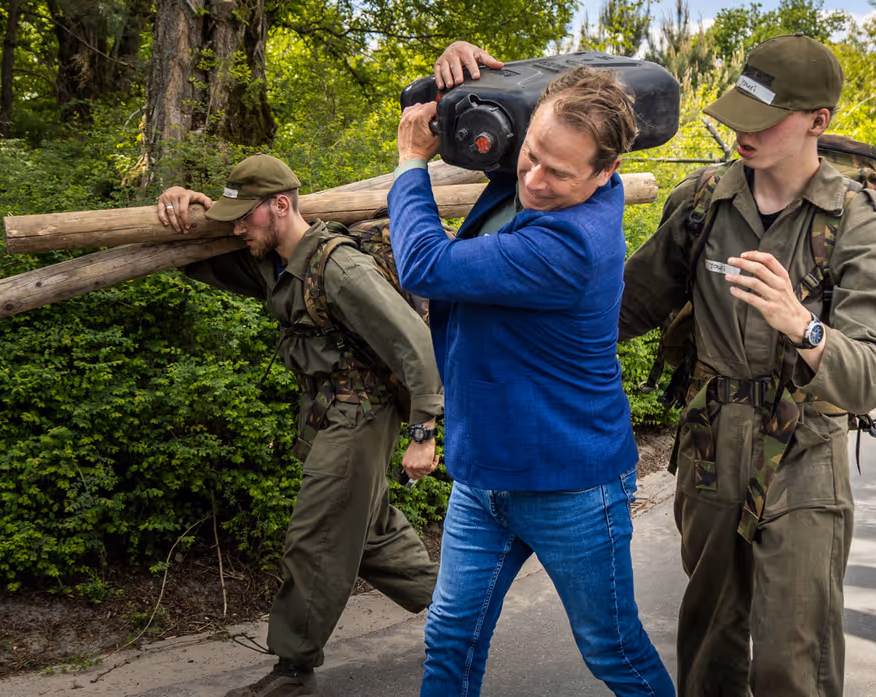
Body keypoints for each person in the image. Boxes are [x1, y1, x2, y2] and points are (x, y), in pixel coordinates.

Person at [619, 34, 876, 697]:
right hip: (710, 444)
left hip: (803, 451)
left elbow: (873, 375)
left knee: (790, 660)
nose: (742, 133)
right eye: (739, 114)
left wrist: (801, 323)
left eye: (764, 120)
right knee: (709, 648)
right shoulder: (702, 202)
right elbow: (624, 308)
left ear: (817, 121)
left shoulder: (856, 220)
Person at [388, 42, 674, 697]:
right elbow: (480, 131)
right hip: (484, 472)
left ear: (607, 172)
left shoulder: (571, 244)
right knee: (449, 639)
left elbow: (424, 265)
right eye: (531, 153)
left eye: (559, 172)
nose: (535, 180)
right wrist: (461, 74)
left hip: (569, 485)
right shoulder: (535, 176)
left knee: (613, 650)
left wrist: (410, 162)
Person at [156, 154, 442, 697]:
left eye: (246, 216)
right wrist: (185, 203)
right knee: (370, 535)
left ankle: (293, 672)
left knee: (316, 540)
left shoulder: (339, 268)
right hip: (329, 413)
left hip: (360, 414)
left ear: (281, 206)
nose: (237, 229)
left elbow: (416, 345)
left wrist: (423, 434)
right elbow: (195, 258)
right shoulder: (273, 261)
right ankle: (462, 606)